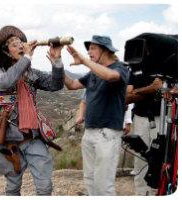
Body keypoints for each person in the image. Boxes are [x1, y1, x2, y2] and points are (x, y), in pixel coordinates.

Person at [0, 25, 65, 196]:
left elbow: (56, 84)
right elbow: (5, 82)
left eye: (22, 42)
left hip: (33, 138)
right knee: (13, 188)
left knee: (45, 187)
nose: (21, 46)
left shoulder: (31, 73)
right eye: (15, 44)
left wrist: (57, 61)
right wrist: (28, 57)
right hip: (9, 141)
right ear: (5, 51)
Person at [64, 35, 129, 195]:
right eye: (88, 49)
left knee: (103, 184)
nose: (89, 52)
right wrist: (57, 63)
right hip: (90, 131)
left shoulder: (119, 68)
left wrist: (85, 60)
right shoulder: (93, 72)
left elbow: (110, 76)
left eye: (93, 48)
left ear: (105, 50)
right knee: (90, 179)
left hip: (107, 133)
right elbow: (72, 84)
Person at [126, 73, 163, 195]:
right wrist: (150, 90)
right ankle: (140, 193)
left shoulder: (166, 64)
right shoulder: (136, 68)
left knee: (160, 157)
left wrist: (138, 92)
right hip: (140, 117)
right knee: (140, 158)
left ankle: (158, 191)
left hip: (161, 117)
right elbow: (128, 96)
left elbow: (163, 89)